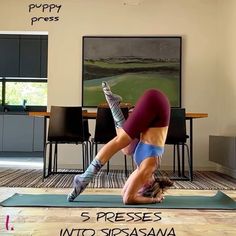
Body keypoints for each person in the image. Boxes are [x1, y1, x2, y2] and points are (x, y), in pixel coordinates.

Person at [67, 82, 173, 204]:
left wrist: (142, 194)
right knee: (121, 140)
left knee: (127, 149)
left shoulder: (142, 168)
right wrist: (154, 200)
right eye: (139, 188)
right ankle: (84, 178)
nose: (136, 185)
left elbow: (124, 192)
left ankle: (114, 105)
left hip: (156, 108)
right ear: (149, 184)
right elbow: (128, 198)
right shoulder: (149, 167)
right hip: (156, 102)